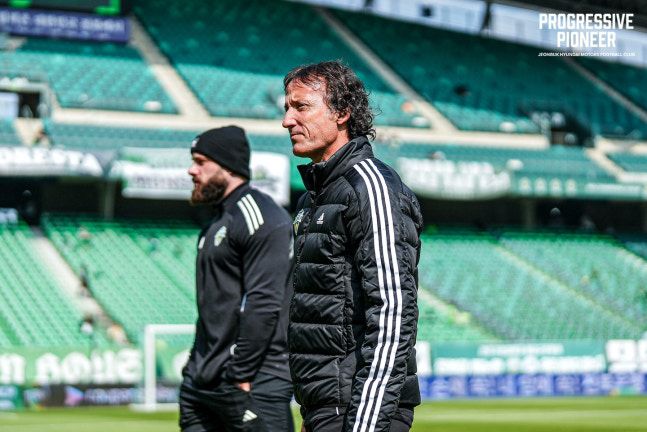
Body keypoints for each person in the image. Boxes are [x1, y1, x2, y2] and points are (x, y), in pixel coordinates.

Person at [282, 61, 423, 432]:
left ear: (342, 112)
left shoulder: (371, 186)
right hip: (324, 406)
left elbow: (393, 310)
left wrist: (365, 420)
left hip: (360, 409)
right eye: (287, 108)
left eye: (301, 107)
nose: (287, 121)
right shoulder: (313, 198)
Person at [180, 126, 295, 432]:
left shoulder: (261, 216)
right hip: (201, 382)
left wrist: (241, 374)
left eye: (201, 162)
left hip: (252, 381)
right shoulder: (215, 221)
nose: (192, 170)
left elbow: (264, 302)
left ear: (228, 166)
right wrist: (194, 367)